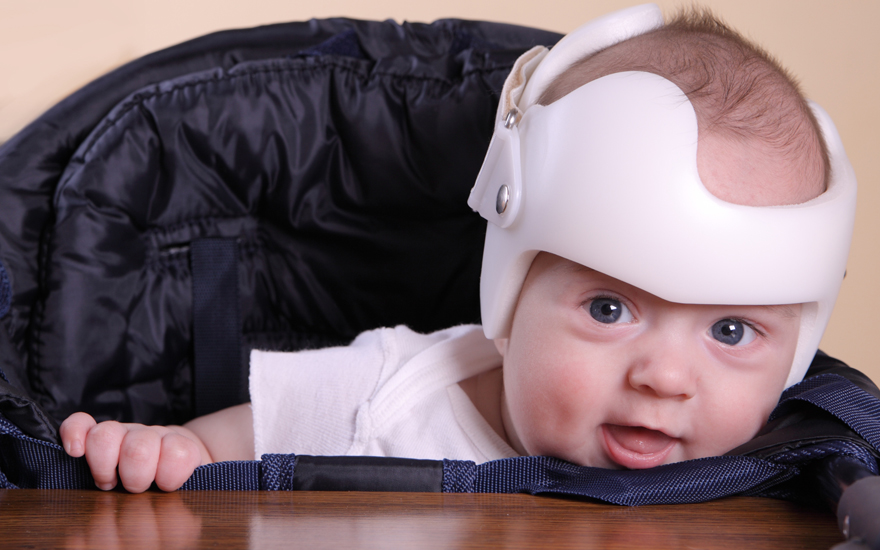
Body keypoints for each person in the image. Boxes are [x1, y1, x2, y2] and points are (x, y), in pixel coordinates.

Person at [57, 4, 857, 493]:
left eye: (731, 331)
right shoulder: (390, 392)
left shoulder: (778, 470)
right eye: (610, 308)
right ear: (511, 287)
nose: (666, 378)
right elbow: (229, 443)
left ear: (797, 349)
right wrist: (168, 450)